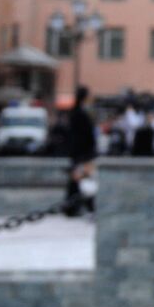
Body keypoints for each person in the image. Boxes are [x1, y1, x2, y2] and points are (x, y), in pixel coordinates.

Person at [64, 86, 97, 215]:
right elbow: (84, 135)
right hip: (82, 153)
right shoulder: (80, 113)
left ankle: (74, 207)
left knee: (78, 180)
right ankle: (74, 207)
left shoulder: (76, 112)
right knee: (80, 179)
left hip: (79, 152)